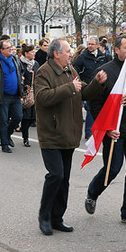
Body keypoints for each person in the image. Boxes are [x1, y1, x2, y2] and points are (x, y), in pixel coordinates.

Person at [35, 37, 106, 235]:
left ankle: (58, 218)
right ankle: (45, 216)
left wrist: (97, 83)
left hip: (68, 133)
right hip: (51, 134)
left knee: (64, 178)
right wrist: (68, 88)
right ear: (56, 53)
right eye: (67, 51)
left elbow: (83, 92)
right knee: (55, 175)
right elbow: (42, 98)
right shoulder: (44, 72)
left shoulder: (71, 70)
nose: (70, 53)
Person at [84, 35, 126, 224]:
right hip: (113, 131)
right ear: (116, 50)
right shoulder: (104, 72)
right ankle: (92, 192)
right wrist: (107, 129)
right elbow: (94, 104)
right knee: (112, 169)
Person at [0, 39, 23, 153]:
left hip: (15, 95)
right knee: (3, 121)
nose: (11, 49)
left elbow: (20, 72)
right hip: (3, 96)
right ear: (1, 50)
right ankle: (4, 144)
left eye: (11, 47)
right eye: (8, 48)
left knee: (18, 117)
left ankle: (8, 134)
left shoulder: (15, 59)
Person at [73, 36, 109, 139]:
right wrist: (80, 81)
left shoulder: (104, 57)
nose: (90, 46)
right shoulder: (83, 57)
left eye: (92, 44)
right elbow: (75, 69)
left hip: (101, 87)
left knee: (101, 109)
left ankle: (101, 130)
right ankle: (89, 132)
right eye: (88, 44)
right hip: (88, 86)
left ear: (98, 45)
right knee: (90, 109)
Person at [18, 43, 39, 147]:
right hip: (24, 93)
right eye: (31, 52)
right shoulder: (20, 63)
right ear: (26, 53)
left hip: (34, 93)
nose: (34, 53)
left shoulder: (36, 64)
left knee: (33, 117)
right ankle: (25, 138)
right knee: (26, 117)